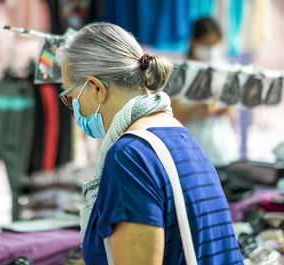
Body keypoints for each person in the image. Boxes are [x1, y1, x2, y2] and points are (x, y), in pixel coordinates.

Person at [57, 23, 243, 265]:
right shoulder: (180, 137)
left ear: (96, 88)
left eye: (71, 99)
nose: (75, 110)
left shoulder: (130, 155)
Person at [172, 17, 239, 178]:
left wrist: (224, 107)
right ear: (193, 41)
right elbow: (172, 117)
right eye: (206, 44)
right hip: (192, 155)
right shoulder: (180, 73)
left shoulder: (224, 70)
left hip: (224, 153)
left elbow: (233, 117)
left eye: (215, 44)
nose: (211, 50)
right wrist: (199, 108)